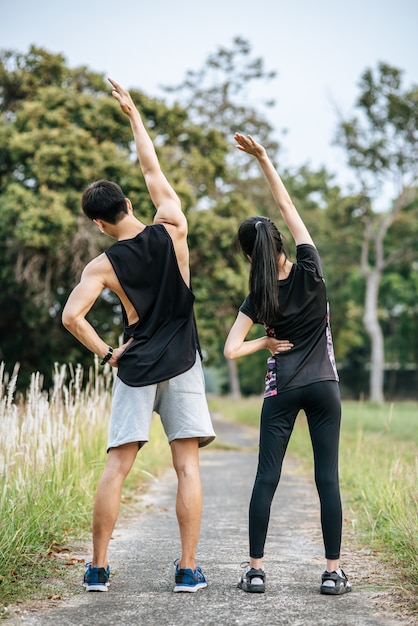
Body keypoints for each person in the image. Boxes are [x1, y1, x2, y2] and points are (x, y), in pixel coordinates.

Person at [62, 78, 215, 593]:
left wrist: (108, 351)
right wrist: (132, 114)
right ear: (129, 203)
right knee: (187, 466)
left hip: (136, 363)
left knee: (118, 466)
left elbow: (70, 318)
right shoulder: (171, 225)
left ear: (100, 224)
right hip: (183, 360)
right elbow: (152, 168)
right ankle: (188, 570)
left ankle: (99, 568)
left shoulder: (101, 264)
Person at [224, 133, 351, 596]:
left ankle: (256, 570)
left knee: (266, 477)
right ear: (279, 241)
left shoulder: (258, 296)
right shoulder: (311, 268)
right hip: (324, 386)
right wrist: (262, 158)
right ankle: (333, 572)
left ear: (247, 254)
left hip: (282, 392)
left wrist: (265, 344)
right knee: (327, 479)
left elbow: (230, 350)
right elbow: (287, 204)